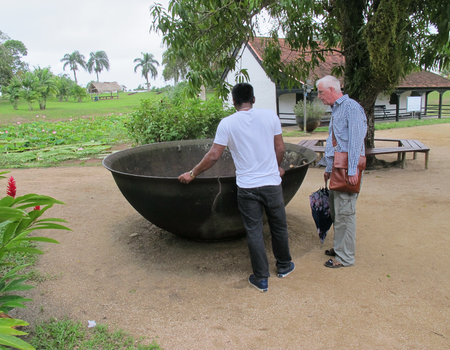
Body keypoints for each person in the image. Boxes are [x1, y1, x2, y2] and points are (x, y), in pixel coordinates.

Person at [178, 83, 294, 292]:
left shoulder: (227, 123)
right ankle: (284, 266)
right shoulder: (271, 117)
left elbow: (213, 156)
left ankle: (261, 278)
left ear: (233, 102)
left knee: (254, 231)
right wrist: (276, 168)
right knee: (279, 226)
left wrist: (192, 173)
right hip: (271, 184)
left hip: (248, 187)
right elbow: (280, 148)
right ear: (254, 99)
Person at [316, 75, 367, 268]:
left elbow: (356, 141)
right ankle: (339, 248)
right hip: (338, 168)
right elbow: (334, 140)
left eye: (320, 92)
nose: (319, 96)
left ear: (331, 89)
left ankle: (345, 257)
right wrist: (329, 168)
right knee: (337, 210)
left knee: (345, 213)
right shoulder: (337, 109)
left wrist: (352, 170)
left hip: (347, 169)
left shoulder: (351, 107)